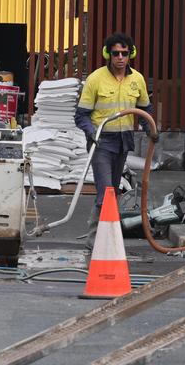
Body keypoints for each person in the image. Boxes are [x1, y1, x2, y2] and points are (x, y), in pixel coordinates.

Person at [74, 32, 158, 233]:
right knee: (106, 193)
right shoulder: (96, 79)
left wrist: (151, 130)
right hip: (101, 141)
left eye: (124, 53)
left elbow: (145, 109)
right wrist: (91, 132)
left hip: (123, 141)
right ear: (107, 54)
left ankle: (103, 235)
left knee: (113, 190)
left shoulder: (137, 79)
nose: (120, 57)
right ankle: (100, 240)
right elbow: (81, 115)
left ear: (131, 54)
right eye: (116, 53)